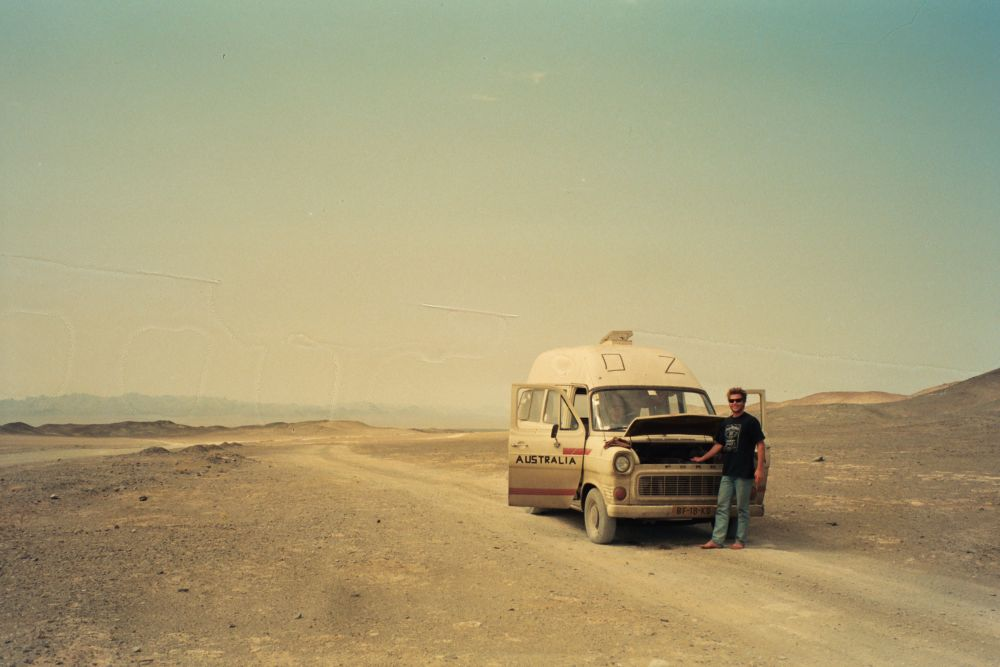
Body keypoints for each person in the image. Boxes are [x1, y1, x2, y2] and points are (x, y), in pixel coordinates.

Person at [690, 387, 766, 550]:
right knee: (722, 506)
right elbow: (719, 444)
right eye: (732, 401)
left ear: (744, 402)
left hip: (744, 473)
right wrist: (703, 458)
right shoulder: (726, 423)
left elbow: (760, 445)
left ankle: (740, 540)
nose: (735, 403)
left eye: (738, 400)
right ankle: (717, 540)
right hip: (728, 472)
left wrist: (759, 469)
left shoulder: (751, 422)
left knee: (742, 509)